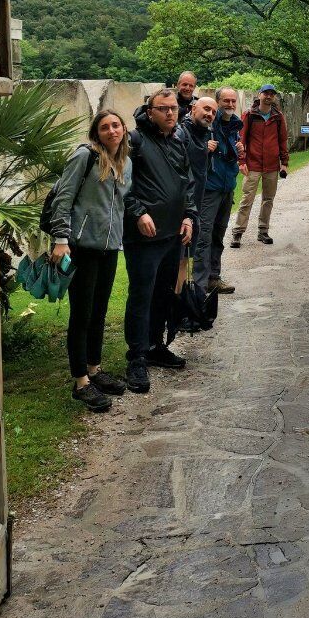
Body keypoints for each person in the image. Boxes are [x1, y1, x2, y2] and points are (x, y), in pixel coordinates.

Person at [48, 110, 132, 412]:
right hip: (80, 247)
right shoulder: (84, 157)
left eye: (116, 125)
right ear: (96, 133)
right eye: (105, 127)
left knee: (99, 311)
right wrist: (61, 240)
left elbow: (121, 204)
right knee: (82, 314)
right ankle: (81, 381)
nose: (112, 131)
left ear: (124, 129)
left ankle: (95, 369)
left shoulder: (126, 162)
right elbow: (64, 198)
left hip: (109, 247)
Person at [122, 89, 196, 393]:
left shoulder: (177, 141)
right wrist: (138, 212)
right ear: (149, 111)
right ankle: (136, 356)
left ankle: (155, 345)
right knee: (142, 294)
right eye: (163, 108)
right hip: (144, 236)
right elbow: (119, 182)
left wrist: (189, 216)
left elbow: (186, 182)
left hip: (173, 233)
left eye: (174, 109)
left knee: (164, 293)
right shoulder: (135, 142)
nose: (170, 113)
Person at [195, 86, 243, 293]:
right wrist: (203, 150)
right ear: (218, 102)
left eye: (233, 101)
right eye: (226, 101)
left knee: (218, 236)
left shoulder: (234, 125)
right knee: (204, 236)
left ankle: (214, 278)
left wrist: (238, 149)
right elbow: (189, 154)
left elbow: (228, 154)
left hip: (227, 187)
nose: (230, 105)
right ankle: (200, 283)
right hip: (209, 188)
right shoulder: (205, 125)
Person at [231, 84, 289, 248]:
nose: (269, 96)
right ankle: (237, 233)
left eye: (272, 94)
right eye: (266, 93)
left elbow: (283, 140)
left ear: (274, 97)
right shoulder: (249, 115)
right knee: (246, 199)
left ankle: (263, 231)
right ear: (260, 95)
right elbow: (241, 140)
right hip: (253, 164)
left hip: (271, 166)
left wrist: (284, 163)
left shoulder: (278, 117)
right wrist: (241, 161)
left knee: (268, 199)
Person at [177, 95, 218, 284]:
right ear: (193, 109)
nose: (210, 114)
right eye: (206, 109)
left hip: (194, 205)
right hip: (181, 207)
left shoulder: (204, 133)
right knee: (178, 259)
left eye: (213, 112)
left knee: (184, 259)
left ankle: (179, 306)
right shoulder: (182, 132)